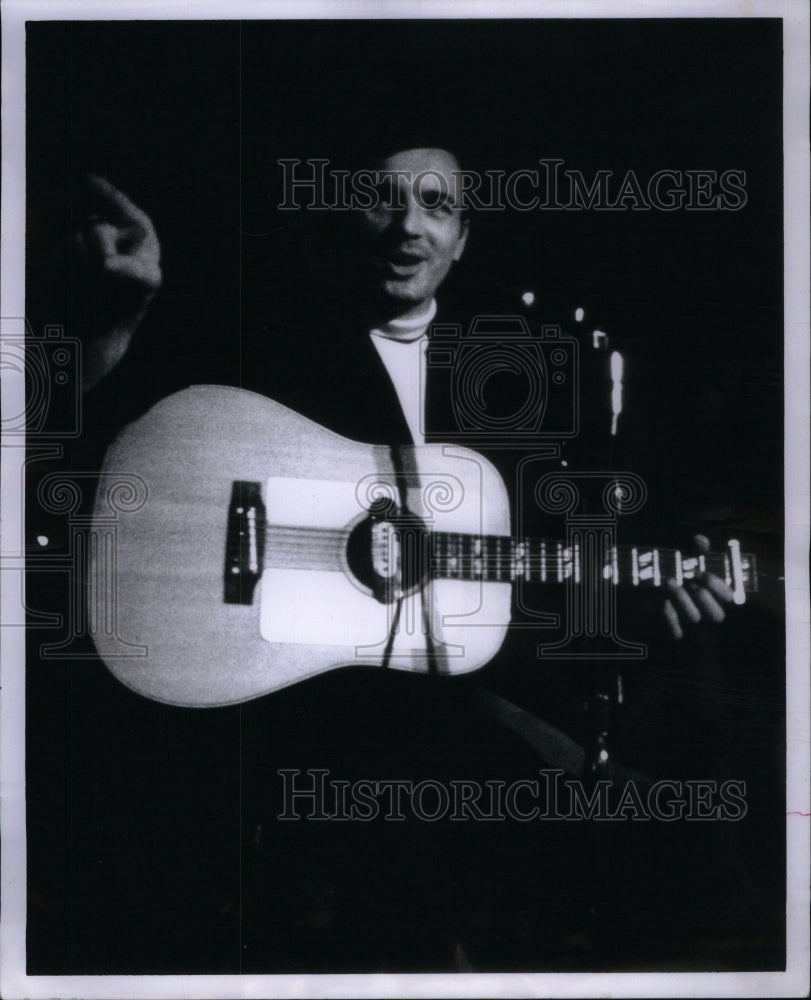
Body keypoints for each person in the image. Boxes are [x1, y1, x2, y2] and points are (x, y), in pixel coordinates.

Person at [28, 143, 759, 974]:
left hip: (436, 729)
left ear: (462, 237)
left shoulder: (512, 382)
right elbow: (103, 464)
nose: (407, 225)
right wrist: (117, 321)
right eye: (381, 199)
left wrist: (631, 599)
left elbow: (521, 584)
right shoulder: (255, 336)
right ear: (344, 213)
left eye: (435, 205)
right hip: (272, 712)